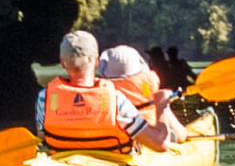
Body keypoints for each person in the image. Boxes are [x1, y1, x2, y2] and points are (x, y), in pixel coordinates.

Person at [39, 31, 179, 154]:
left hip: (62, 163)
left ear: (62, 63)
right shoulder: (116, 100)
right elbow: (161, 144)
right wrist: (161, 105)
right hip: (112, 164)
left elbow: (42, 134)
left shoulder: (44, 98)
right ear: (96, 61)